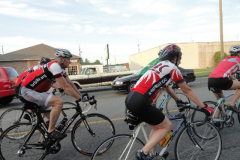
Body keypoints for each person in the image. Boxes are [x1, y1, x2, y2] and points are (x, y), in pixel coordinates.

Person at [125, 44, 213, 160]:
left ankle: (152, 155)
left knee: (157, 127)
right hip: (141, 101)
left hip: (131, 98)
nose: (179, 61)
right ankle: (143, 153)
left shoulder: (158, 66)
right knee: (166, 126)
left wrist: (178, 101)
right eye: (179, 58)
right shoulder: (172, 67)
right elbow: (186, 90)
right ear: (175, 58)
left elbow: (167, 88)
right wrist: (203, 106)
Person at [18, 48, 82, 139]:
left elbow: (70, 83)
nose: (70, 61)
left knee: (51, 118)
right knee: (58, 102)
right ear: (61, 59)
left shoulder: (61, 68)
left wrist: (81, 95)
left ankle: (43, 141)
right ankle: (51, 132)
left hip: (34, 92)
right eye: (68, 59)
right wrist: (80, 99)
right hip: (27, 91)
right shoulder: (54, 66)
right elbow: (66, 87)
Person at [208, 45, 240, 122]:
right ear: (238, 53)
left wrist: (235, 80)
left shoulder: (225, 59)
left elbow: (226, 72)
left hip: (210, 80)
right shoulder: (238, 60)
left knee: (221, 100)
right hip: (221, 80)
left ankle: (216, 120)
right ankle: (232, 105)